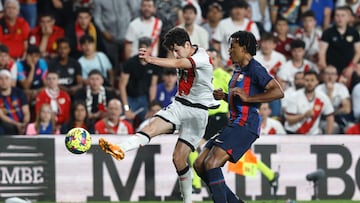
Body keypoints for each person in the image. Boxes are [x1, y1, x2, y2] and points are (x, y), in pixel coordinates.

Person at [99, 27, 219, 203]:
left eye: (177, 50)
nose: (176, 55)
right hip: (179, 105)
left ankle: (188, 201)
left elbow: (178, 64)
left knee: (178, 159)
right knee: (151, 126)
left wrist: (150, 59)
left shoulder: (201, 57)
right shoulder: (184, 53)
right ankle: (121, 148)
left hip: (198, 113)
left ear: (187, 44)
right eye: (174, 52)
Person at [193, 31, 284, 203]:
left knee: (212, 163)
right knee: (199, 164)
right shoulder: (238, 70)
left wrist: (250, 99)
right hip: (234, 123)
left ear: (243, 48)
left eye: (232, 47)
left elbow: (278, 92)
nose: (229, 51)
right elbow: (240, 97)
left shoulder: (255, 69)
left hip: (246, 124)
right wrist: (225, 97)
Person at [119, 37, 160, 125]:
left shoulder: (154, 63)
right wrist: (126, 108)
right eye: (142, 48)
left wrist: (151, 106)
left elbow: (153, 85)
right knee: (125, 121)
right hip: (130, 97)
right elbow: (122, 86)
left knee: (149, 121)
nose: (144, 51)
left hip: (144, 98)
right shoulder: (130, 63)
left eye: (146, 48)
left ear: (150, 49)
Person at [284, 70, 334, 134]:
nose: (309, 83)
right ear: (303, 81)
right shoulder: (294, 97)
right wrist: (304, 116)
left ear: (317, 82)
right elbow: (289, 120)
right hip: (293, 133)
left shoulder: (323, 98)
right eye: (307, 80)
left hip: (312, 135)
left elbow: (330, 117)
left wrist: (329, 138)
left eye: (312, 80)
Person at [318, 6, 360, 82]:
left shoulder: (354, 33)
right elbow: (322, 53)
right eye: (337, 15)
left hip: (348, 69)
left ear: (348, 18)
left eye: (343, 16)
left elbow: (358, 52)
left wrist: (351, 67)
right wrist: (326, 70)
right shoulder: (327, 33)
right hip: (331, 69)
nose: (340, 18)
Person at [316, 65, 352, 133]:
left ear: (336, 76)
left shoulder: (342, 88)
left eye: (332, 74)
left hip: (338, 118)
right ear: (323, 76)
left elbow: (347, 109)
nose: (330, 76)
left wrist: (333, 113)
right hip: (322, 119)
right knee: (331, 127)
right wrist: (329, 93)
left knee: (347, 127)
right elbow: (322, 111)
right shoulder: (318, 89)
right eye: (327, 74)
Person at [0, 69, 30, 135]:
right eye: (1, 79)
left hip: (21, 122)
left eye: (6, 78)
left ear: (11, 81)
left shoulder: (19, 92)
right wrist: (17, 124)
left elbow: (26, 112)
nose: (4, 81)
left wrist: (24, 124)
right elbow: (1, 116)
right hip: (6, 123)